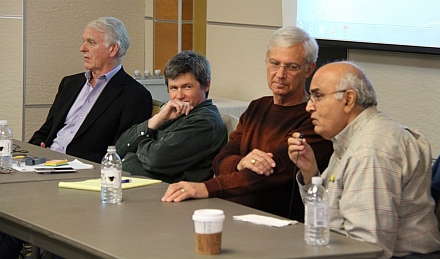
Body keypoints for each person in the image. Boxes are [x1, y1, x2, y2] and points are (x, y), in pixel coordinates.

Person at [162, 26, 333, 222]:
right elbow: (221, 160)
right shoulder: (257, 107)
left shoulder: (314, 117)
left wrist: (205, 187)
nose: (280, 74)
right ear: (266, 62)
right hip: (230, 210)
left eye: (291, 67)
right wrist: (241, 162)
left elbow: (268, 176)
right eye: (275, 63)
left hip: (276, 222)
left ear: (309, 69)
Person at [288, 61, 440, 258]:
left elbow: (369, 249)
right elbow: (332, 218)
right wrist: (310, 173)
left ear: (348, 100)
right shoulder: (356, 137)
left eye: (318, 96)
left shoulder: (371, 151)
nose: (309, 107)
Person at [29, 17, 153, 163]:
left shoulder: (135, 95)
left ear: (113, 49)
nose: (82, 48)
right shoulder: (70, 84)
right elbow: (45, 131)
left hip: (83, 170)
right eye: (84, 41)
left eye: (91, 42)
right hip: (44, 162)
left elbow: (122, 151)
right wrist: (37, 147)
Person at [115, 50, 227, 183]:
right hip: (136, 185)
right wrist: (158, 119)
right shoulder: (172, 113)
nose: (179, 96)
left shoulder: (205, 121)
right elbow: (119, 148)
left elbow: (155, 159)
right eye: (174, 88)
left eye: (187, 87)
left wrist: (135, 150)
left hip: (169, 196)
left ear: (206, 85)